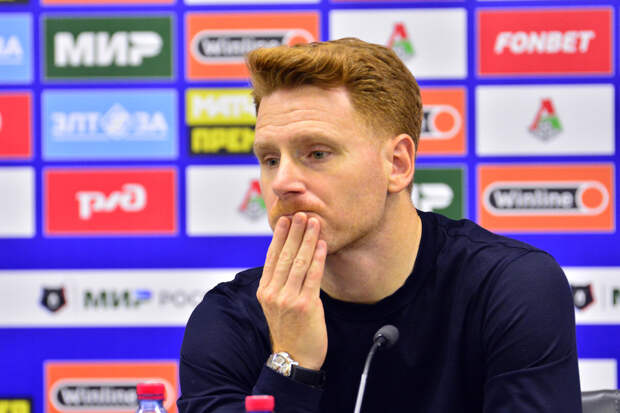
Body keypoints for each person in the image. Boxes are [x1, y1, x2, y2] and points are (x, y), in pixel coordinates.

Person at [177, 38, 582, 413]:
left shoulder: (508, 287)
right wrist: (291, 363)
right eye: (270, 159)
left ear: (398, 164)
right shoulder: (229, 318)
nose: (282, 182)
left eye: (316, 153)